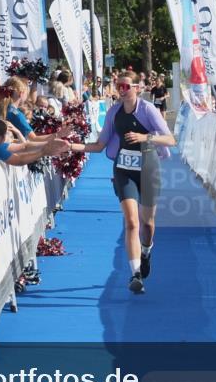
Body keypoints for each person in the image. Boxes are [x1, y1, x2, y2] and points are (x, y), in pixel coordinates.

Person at [69, 71, 174, 295]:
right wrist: (71, 146)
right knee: (132, 223)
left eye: (126, 86)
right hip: (123, 170)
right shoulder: (114, 112)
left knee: (147, 224)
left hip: (147, 169)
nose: (121, 90)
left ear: (137, 88)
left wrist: (146, 137)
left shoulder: (148, 110)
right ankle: (135, 274)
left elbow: (170, 139)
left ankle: (146, 251)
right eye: (119, 86)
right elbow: (99, 145)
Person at [0, 118, 70, 166]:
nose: (8, 135)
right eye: (6, 134)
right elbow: (19, 160)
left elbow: (25, 146)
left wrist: (48, 144)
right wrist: (43, 152)